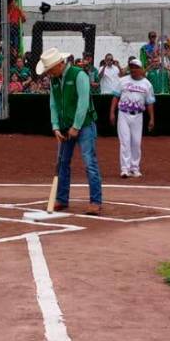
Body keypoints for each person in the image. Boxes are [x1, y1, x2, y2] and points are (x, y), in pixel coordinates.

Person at [38, 47, 102, 215]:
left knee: (89, 162)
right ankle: (61, 198)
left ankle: (96, 201)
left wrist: (76, 126)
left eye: (50, 69)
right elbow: (53, 104)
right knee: (62, 163)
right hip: (65, 127)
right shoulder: (54, 80)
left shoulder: (79, 75)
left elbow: (83, 103)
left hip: (85, 125)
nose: (49, 73)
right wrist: (55, 126)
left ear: (59, 64)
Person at [110, 57, 155, 178]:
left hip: (138, 115)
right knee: (125, 142)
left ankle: (135, 168)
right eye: (131, 67)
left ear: (141, 69)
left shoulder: (147, 84)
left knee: (136, 142)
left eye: (136, 67)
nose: (133, 70)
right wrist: (112, 113)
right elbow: (115, 97)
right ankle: (125, 169)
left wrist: (151, 119)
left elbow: (149, 102)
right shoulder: (123, 80)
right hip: (123, 113)